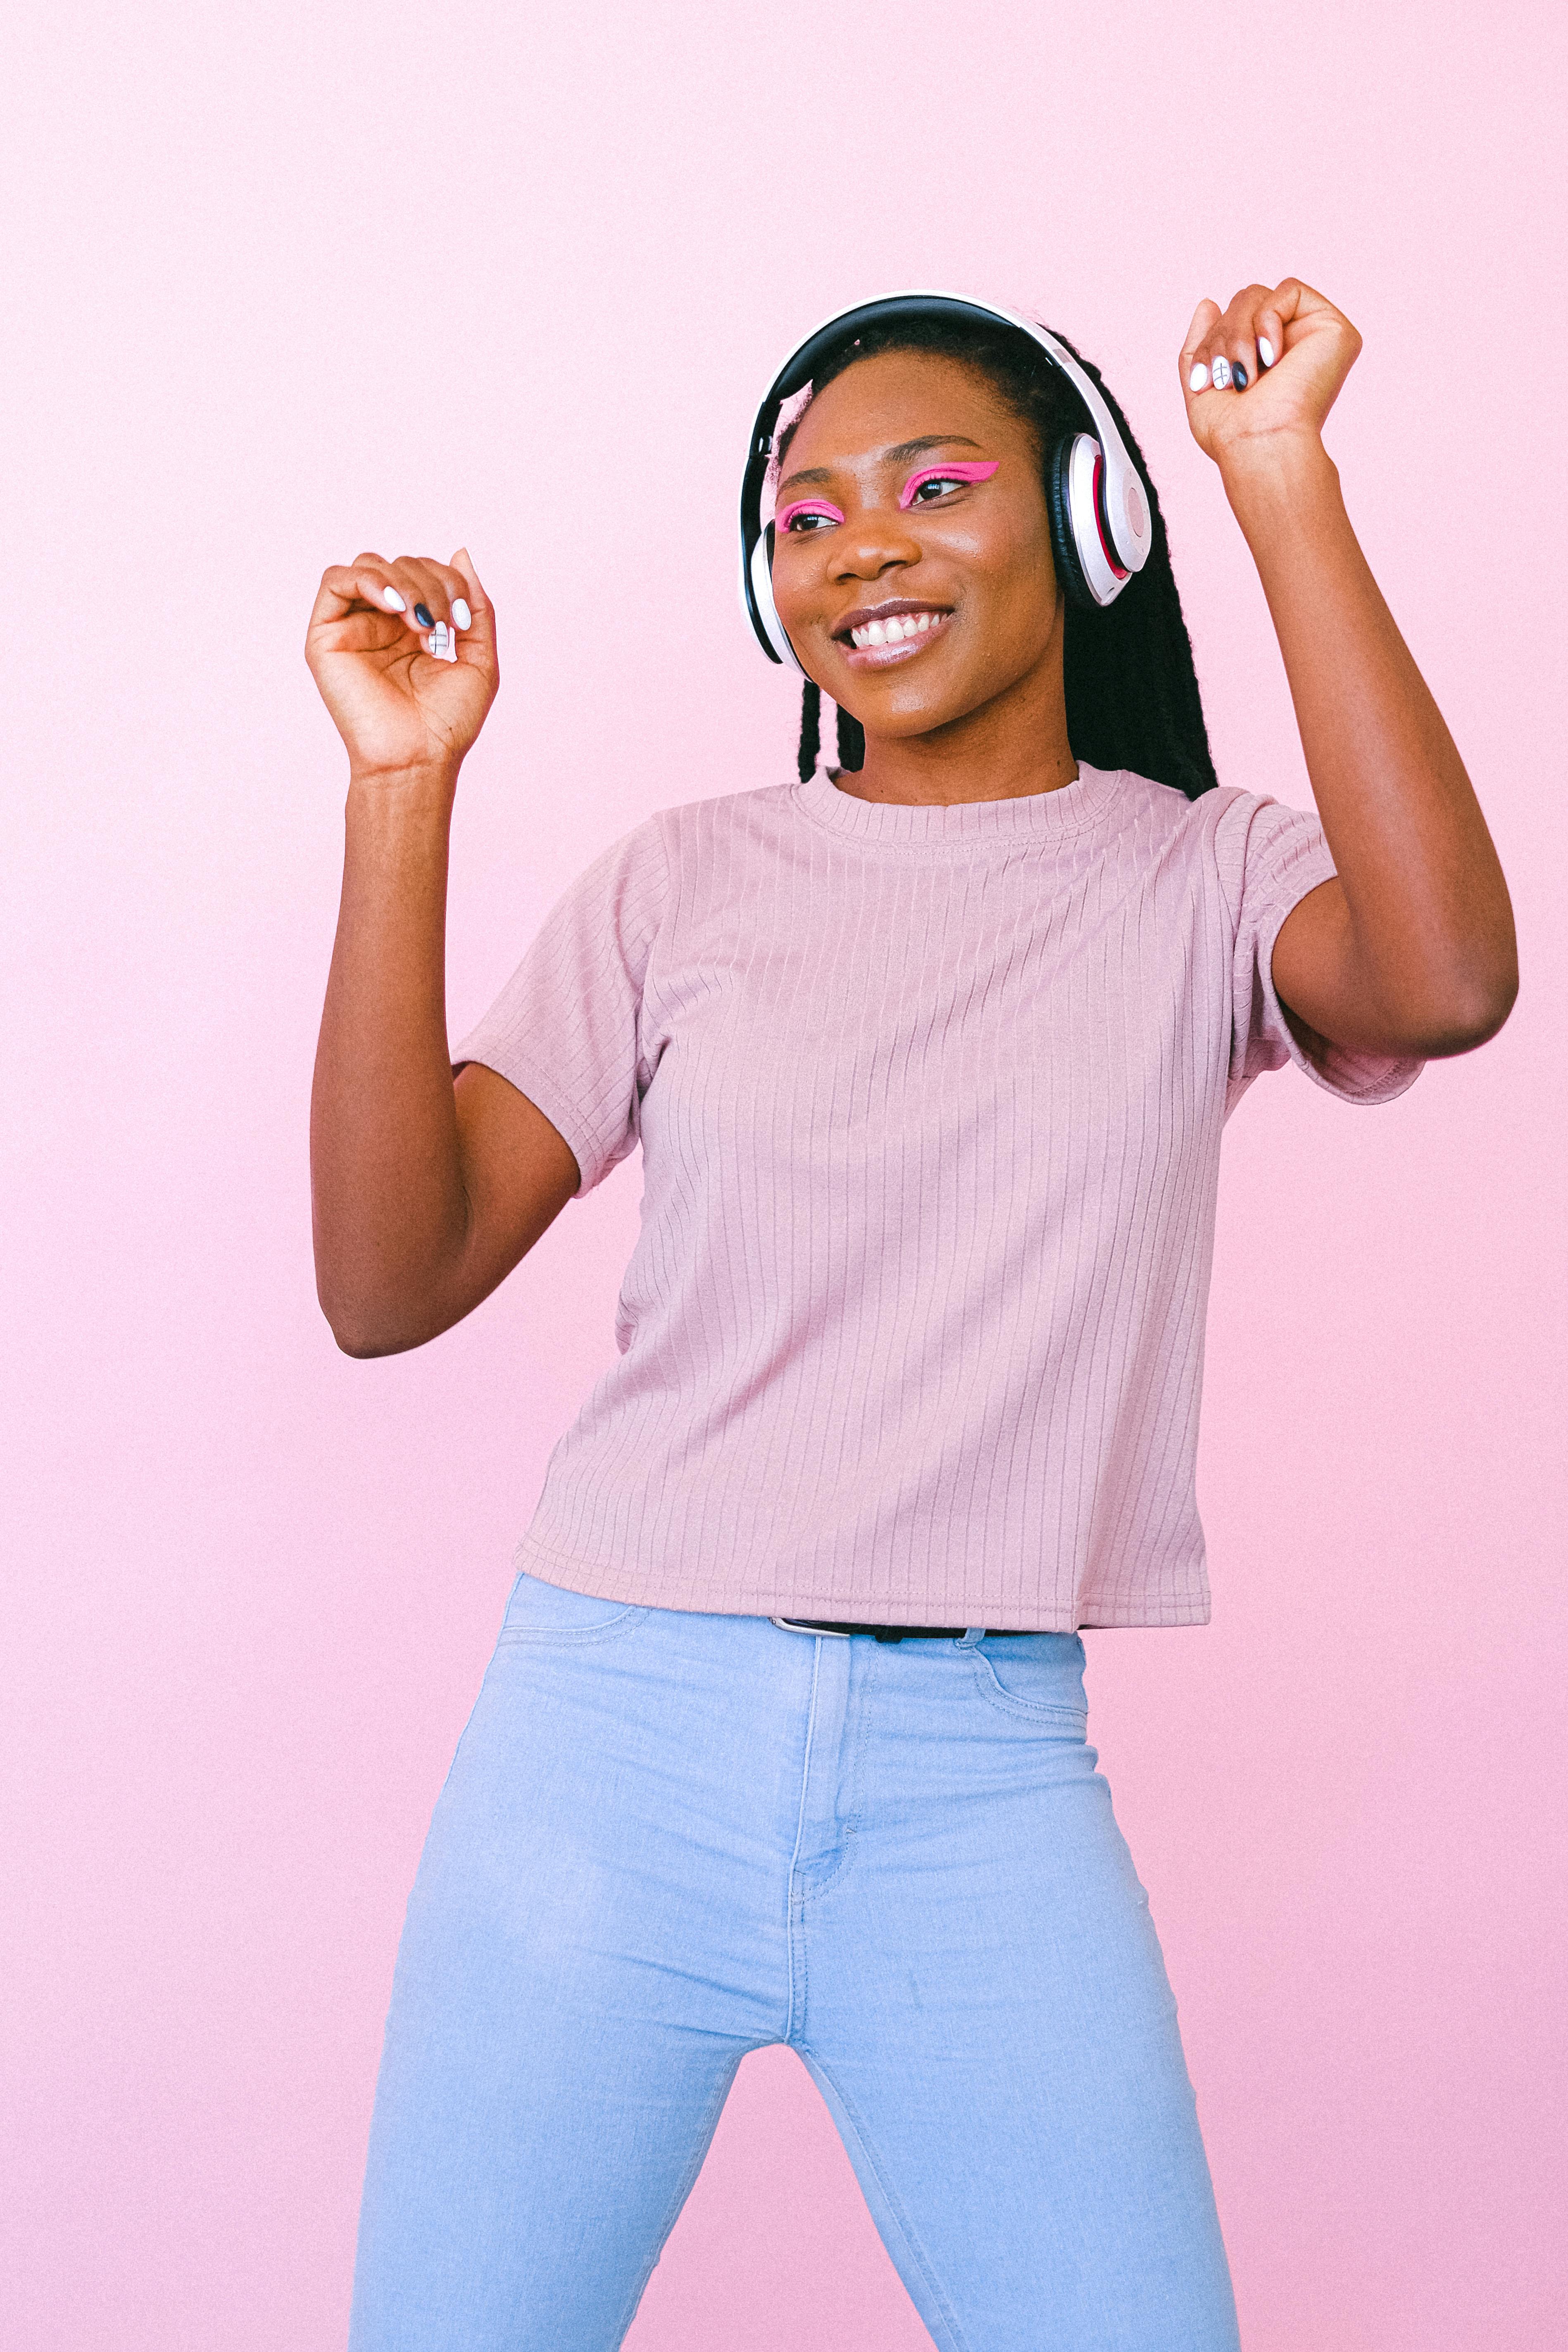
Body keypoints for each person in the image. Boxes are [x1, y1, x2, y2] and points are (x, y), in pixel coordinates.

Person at [306, 279, 1516, 2352]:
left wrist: (1276, 474)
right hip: (604, 1745)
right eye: (802, 516)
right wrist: (402, 788)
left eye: (936, 485)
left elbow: (1444, 982)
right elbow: (386, 1281)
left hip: (982, 1772)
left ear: (1089, 523)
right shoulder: (678, 883)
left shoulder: (1207, 879)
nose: (857, 541)